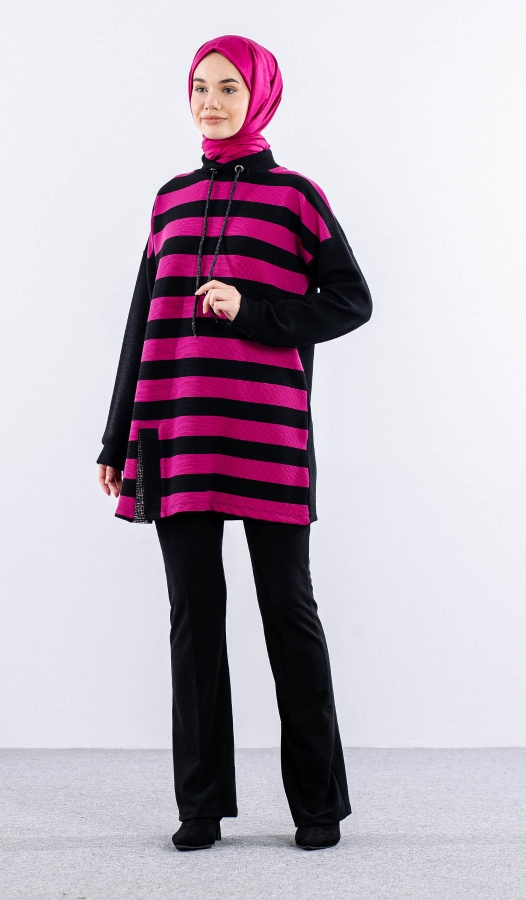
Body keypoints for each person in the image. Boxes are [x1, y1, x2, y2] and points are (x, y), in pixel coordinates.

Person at [96, 34, 372, 851]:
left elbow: (351, 300)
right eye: (199, 88)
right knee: (193, 621)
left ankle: (317, 807)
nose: (211, 103)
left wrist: (253, 311)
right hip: (175, 432)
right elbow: (142, 321)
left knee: (289, 614)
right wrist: (114, 439)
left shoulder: (295, 198)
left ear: (259, 96)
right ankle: (201, 806)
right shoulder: (171, 200)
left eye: (227, 88)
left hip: (268, 436)